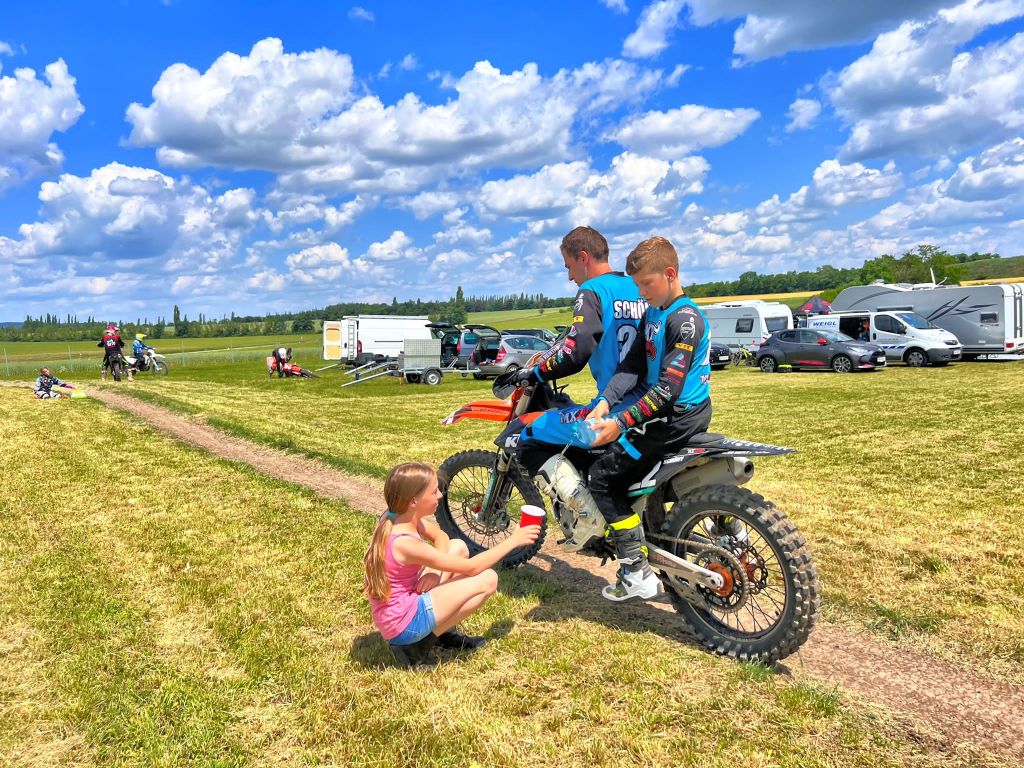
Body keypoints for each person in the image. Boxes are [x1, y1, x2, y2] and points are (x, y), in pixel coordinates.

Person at [588, 236, 712, 602]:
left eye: (647, 284)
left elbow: (667, 390)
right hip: (673, 413)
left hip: (675, 417)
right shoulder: (654, 313)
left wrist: (619, 422)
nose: (641, 293)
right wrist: (605, 401)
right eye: (638, 286)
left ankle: (635, 571)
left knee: (602, 477)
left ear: (670, 274)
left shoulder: (684, 320)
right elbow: (632, 365)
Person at [364, 462, 540, 668]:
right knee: (488, 579)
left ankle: (441, 632)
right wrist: (513, 540)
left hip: (398, 611)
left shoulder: (396, 516)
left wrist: (434, 571)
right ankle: (415, 646)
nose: (440, 495)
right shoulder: (405, 543)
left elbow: (441, 536)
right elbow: (473, 568)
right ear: (413, 501)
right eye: (434, 491)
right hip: (402, 626)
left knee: (458, 546)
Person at [510, 226, 648, 478]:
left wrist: (535, 373)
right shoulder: (639, 287)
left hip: (614, 404)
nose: (570, 277)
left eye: (569, 267)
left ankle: (581, 503)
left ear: (583, 258)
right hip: (650, 402)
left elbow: (576, 352)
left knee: (529, 433)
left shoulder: (592, 290)